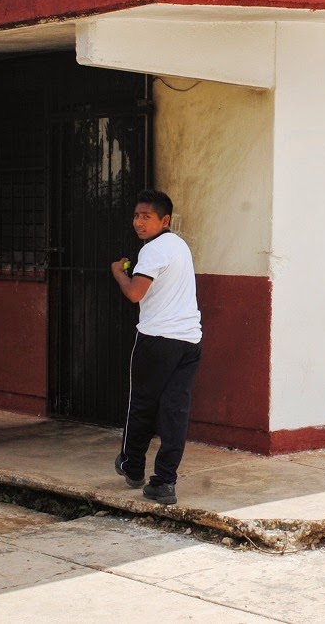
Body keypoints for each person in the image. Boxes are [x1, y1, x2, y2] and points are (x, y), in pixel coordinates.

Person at [110, 190, 202, 506]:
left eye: (146, 216)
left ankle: (133, 468)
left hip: (156, 341)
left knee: (142, 406)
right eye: (136, 215)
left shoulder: (152, 251)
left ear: (164, 220)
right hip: (189, 341)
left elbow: (135, 293)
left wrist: (119, 274)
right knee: (175, 412)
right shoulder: (179, 246)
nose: (139, 222)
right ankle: (164, 483)